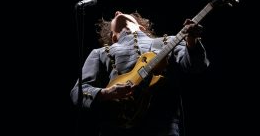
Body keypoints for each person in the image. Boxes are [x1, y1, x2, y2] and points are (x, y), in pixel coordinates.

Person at [70, 10, 210, 136]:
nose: (117, 12)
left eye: (125, 13)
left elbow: (196, 66)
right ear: (113, 37)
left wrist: (192, 41)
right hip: (115, 129)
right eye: (115, 15)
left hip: (161, 126)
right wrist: (108, 93)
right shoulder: (99, 53)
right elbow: (78, 92)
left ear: (142, 27)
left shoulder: (168, 42)